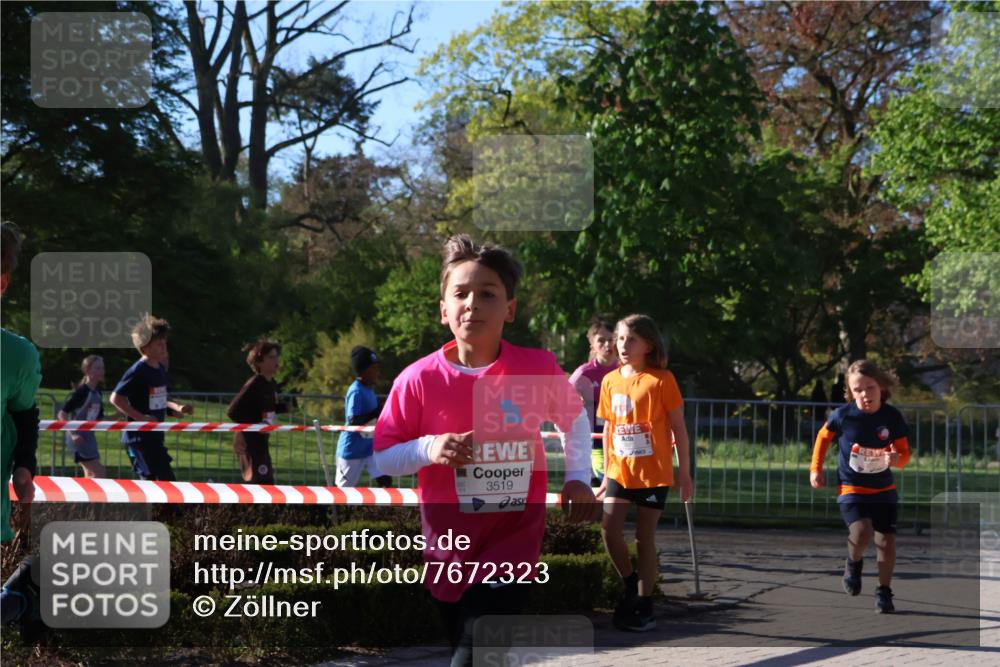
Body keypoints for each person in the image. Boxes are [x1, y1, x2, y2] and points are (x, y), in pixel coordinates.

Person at [372, 235, 595, 667]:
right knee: (473, 650)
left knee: (472, 656)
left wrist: (578, 478)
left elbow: (575, 420)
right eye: (460, 294)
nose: (472, 303)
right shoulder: (417, 379)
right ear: (443, 309)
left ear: (509, 309)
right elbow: (384, 456)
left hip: (513, 543)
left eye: (487, 294)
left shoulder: (536, 369)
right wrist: (431, 447)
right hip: (448, 548)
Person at [595, 314, 693, 632]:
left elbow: (679, 430)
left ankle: (645, 603)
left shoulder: (661, 380)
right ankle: (630, 585)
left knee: (643, 537)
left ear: (648, 345)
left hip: (653, 474)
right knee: (609, 530)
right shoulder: (610, 380)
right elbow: (609, 428)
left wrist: (685, 474)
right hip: (619, 472)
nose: (623, 345)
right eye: (621, 338)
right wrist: (606, 473)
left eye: (631, 339)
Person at [810, 359, 911, 613]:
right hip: (851, 487)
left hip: (883, 489)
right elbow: (823, 438)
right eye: (858, 389)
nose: (865, 394)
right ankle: (853, 563)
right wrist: (816, 469)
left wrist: (896, 460)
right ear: (850, 392)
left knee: (886, 541)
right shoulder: (843, 415)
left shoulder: (891, 416)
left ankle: (884, 592)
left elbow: (904, 454)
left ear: (881, 387)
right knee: (862, 530)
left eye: (870, 388)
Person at [0, 222, 43, 634]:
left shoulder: (16, 355)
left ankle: (18, 598)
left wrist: (24, 466)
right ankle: (16, 598)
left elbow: (23, 415)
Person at [110, 315, 192, 481]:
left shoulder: (159, 369)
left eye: (164, 342)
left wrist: (174, 410)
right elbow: (116, 398)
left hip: (155, 436)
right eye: (159, 344)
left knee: (161, 482)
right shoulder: (138, 370)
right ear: (145, 348)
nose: (164, 347)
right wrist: (141, 418)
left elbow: (157, 399)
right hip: (138, 438)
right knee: (161, 482)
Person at [227, 340, 288, 484]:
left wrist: (285, 408)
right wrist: (245, 429)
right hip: (250, 443)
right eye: (271, 357)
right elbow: (233, 411)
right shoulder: (254, 383)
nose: (276, 360)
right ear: (259, 362)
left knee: (267, 484)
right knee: (260, 486)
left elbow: (265, 408)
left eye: (277, 356)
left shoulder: (271, 384)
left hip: (262, 442)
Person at [568, 318, 619, 484]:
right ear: (593, 345)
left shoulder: (625, 370)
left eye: (611, 339)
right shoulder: (583, 373)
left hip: (621, 438)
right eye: (601, 340)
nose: (607, 345)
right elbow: (563, 400)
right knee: (605, 480)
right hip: (594, 439)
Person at [336, 346, 391, 488]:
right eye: (374, 368)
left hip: (370, 449)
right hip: (351, 450)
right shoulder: (356, 391)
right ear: (363, 371)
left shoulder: (369, 389)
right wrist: (376, 412)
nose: (377, 372)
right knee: (343, 493)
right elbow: (353, 421)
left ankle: (385, 504)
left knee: (386, 482)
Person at [58, 355, 107, 478]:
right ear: (87, 370)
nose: (101, 371)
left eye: (102, 368)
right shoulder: (82, 392)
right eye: (97, 368)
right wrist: (73, 434)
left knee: (90, 475)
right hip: (78, 438)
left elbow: (100, 419)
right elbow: (62, 414)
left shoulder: (98, 393)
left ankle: (83, 492)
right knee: (99, 473)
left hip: (89, 438)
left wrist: (121, 414)